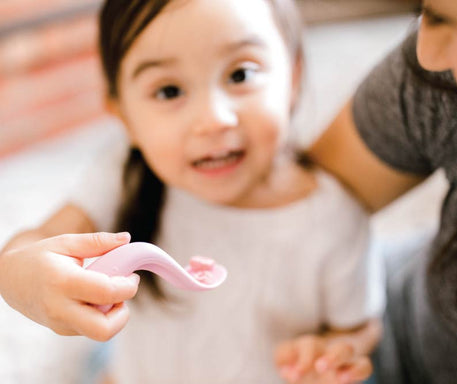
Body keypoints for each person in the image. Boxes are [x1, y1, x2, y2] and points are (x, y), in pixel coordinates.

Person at [0, 0, 384, 383]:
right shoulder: (125, 176)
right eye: (169, 91)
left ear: (293, 77)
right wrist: (19, 275)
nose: (213, 119)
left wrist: (333, 353)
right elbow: (35, 242)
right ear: (123, 115)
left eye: (241, 74)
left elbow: (359, 325)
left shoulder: (333, 219)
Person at [307, 0, 457, 383]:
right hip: (392, 314)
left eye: (437, 18)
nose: (426, 52)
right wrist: (354, 329)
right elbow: (314, 201)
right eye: (426, 13)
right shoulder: (445, 82)